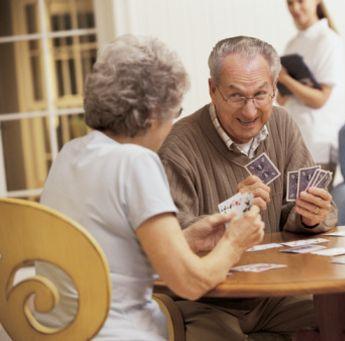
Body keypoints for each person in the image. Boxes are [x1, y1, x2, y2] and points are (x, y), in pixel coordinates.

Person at [35, 35, 265, 340]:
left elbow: (112, 253)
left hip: (56, 330)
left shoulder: (71, 154)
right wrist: (234, 243)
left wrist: (186, 239)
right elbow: (191, 284)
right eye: (175, 112)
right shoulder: (136, 162)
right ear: (154, 113)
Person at [159, 36, 337, 340]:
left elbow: (300, 211)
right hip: (206, 300)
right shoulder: (177, 145)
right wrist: (231, 212)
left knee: (336, 324)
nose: (251, 111)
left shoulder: (283, 125)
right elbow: (172, 241)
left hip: (274, 292)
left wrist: (310, 216)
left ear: (274, 89)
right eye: (237, 97)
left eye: (260, 95)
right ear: (213, 90)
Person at [277, 0, 345, 172]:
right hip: (295, 142)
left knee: (313, 199)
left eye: (300, 1)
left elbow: (319, 100)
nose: (295, 8)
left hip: (318, 144)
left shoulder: (328, 40)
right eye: (290, 3)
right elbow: (283, 100)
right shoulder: (293, 44)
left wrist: (285, 79)